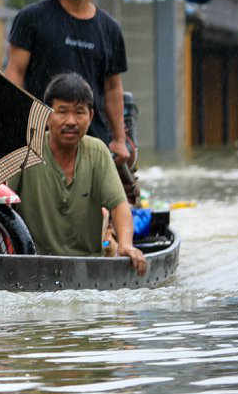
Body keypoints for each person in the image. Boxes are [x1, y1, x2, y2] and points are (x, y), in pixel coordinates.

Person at [5, 0, 132, 167]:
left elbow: (113, 88)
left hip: (92, 137)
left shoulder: (110, 29)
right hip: (40, 137)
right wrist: (12, 125)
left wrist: (119, 139)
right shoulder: (32, 18)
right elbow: (15, 73)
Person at [8, 73, 146, 274]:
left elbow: (118, 205)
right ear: (46, 115)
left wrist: (126, 244)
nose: (71, 121)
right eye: (62, 112)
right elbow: (2, 205)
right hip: (33, 267)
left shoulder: (98, 152)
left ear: (90, 116)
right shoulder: (26, 150)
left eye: (79, 113)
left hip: (89, 268)